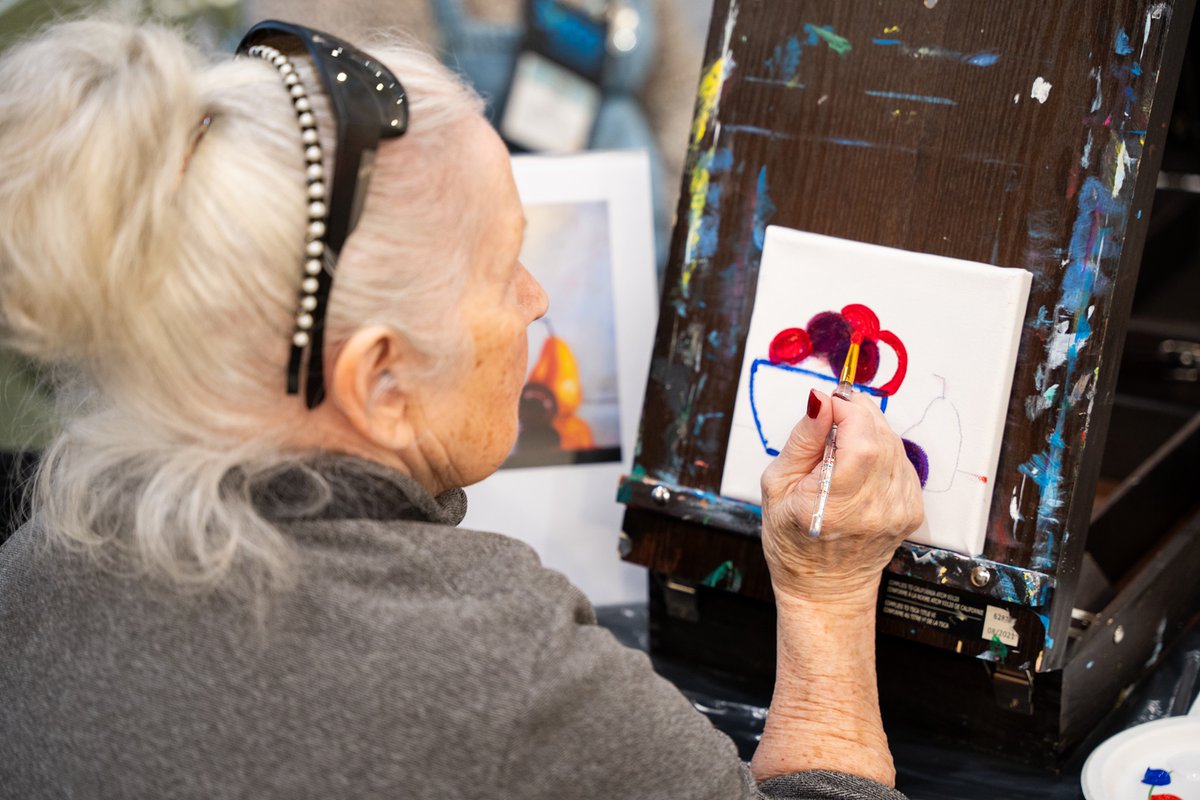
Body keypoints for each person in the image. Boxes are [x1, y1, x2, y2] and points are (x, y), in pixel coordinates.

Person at [0, 18, 924, 800]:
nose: (534, 300)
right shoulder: (500, 676)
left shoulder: (35, 569)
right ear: (381, 382)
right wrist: (829, 593)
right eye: (503, 267)